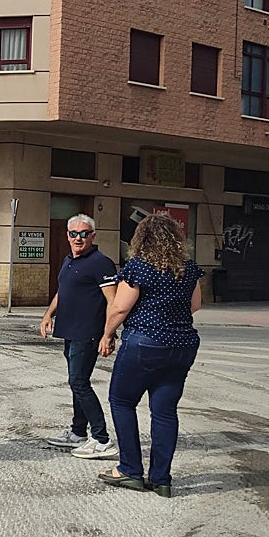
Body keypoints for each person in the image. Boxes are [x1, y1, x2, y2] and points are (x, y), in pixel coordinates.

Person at [96, 213, 202, 498]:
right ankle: (161, 479)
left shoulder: (139, 267)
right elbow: (196, 305)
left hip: (145, 343)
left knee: (122, 401)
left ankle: (130, 469)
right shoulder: (189, 269)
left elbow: (119, 308)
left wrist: (107, 335)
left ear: (141, 239)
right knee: (165, 411)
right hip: (182, 345)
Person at [39, 214, 118, 459]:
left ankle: (102, 439)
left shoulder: (101, 263)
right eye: (73, 234)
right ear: (67, 236)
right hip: (69, 331)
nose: (78, 238)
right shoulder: (68, 261)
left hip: (88, 333)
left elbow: (113, 301)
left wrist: (109, 334)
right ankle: (77, 433)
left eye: (84, 234)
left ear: (93, 236)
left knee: (79, 383)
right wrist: (48, 315)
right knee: (76, 383)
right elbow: (63, 292)